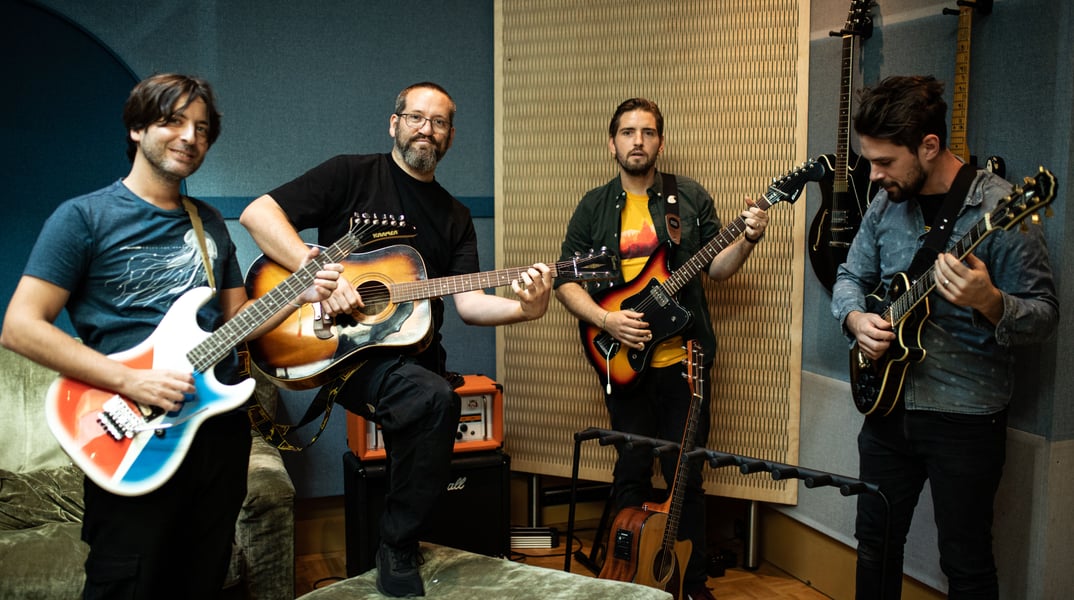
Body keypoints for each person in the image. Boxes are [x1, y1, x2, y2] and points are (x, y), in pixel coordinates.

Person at [0, 73, 342, 599]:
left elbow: (236, 321)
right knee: (127, 584)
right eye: (173, 121)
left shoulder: (209, 223)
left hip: (216, 433)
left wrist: (298, 292)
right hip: (132, 427)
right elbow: (21, 326)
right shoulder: (83, 218)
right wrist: (130, 382)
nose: (190, 137)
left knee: (202, 579)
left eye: (202, 129)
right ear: (137, 128)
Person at [239, 81, 552, 597]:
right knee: (431, 398)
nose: (427, 129)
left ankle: (396, 542)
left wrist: (526, 308)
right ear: (395, 124)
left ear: (450, 136)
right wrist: (317, 275)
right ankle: (400, 542)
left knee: (433, 398)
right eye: (416, 117)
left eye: (439, 122)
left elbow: (470, 304)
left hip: (414, 359)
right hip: (342, 351)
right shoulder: (349, 174)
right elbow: (258, 213)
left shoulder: (455, 217)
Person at [831, 75, 1058, 599]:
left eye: (885, 162)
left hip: (966, 416)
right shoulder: (886, 203)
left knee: (967, 563)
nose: (874, 174)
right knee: (874, 547)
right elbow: (849, 276)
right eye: (870, 160)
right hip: (886, 410)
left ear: (929, 146)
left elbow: (1045, 315)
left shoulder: (1001, 209)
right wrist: (856, 320)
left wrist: (990, 301)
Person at [554, 97, 769, 600]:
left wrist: (747, 239)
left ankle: (689, 584)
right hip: (622, 362)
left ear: (660, 142)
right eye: (628, 132)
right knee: (630, 472)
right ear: (612, 144)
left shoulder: (687, 198)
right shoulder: (593, 206)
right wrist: (607, 320)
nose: (638, 141)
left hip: (684, 365)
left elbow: (717, 267)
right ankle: (626, 580)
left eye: (647, 132)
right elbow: (565, 280)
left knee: (685, 476)